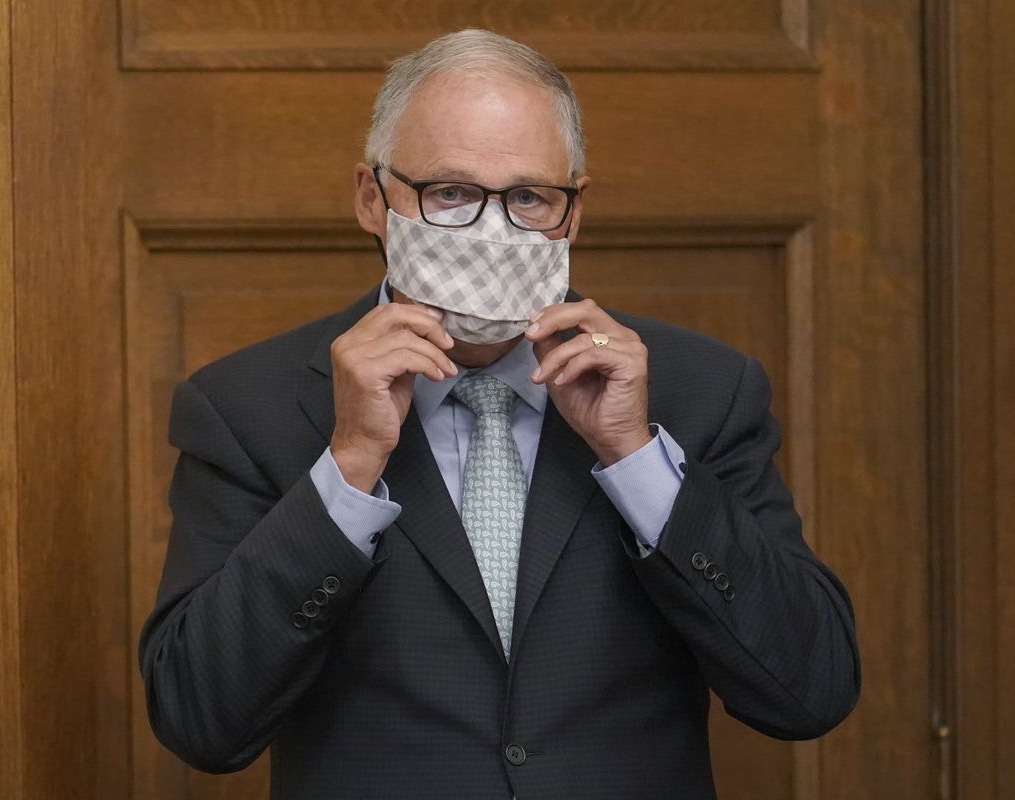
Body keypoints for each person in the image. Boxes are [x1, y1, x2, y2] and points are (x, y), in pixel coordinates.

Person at [139, 28, 860, 799]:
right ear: (371, 199)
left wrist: (637, 457)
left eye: (527, 197)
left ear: (573, 211)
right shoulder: (247, 408)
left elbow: (809, 690)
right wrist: (346, 470)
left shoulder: (700, 392)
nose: (491, 229)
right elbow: (199, 721)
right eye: (449, 193)